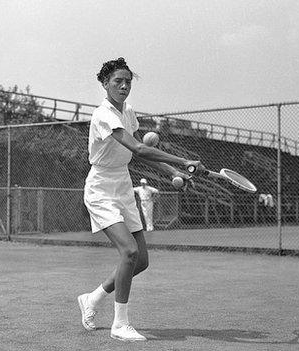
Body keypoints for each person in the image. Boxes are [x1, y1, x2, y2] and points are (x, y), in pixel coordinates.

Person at [78, 57, 203, 342]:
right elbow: (138, 147)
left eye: (127, 82)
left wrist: (175, 170)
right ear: (104, 84)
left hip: (122, 183)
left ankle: (92, 299)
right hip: (100, 188)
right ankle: (119, 324)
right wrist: (184, 161)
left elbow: (136, 154)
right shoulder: (103, 115)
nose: (123, 86)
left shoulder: (128, 112)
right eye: (117, 82)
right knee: (129, 252)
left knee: (141, 261)